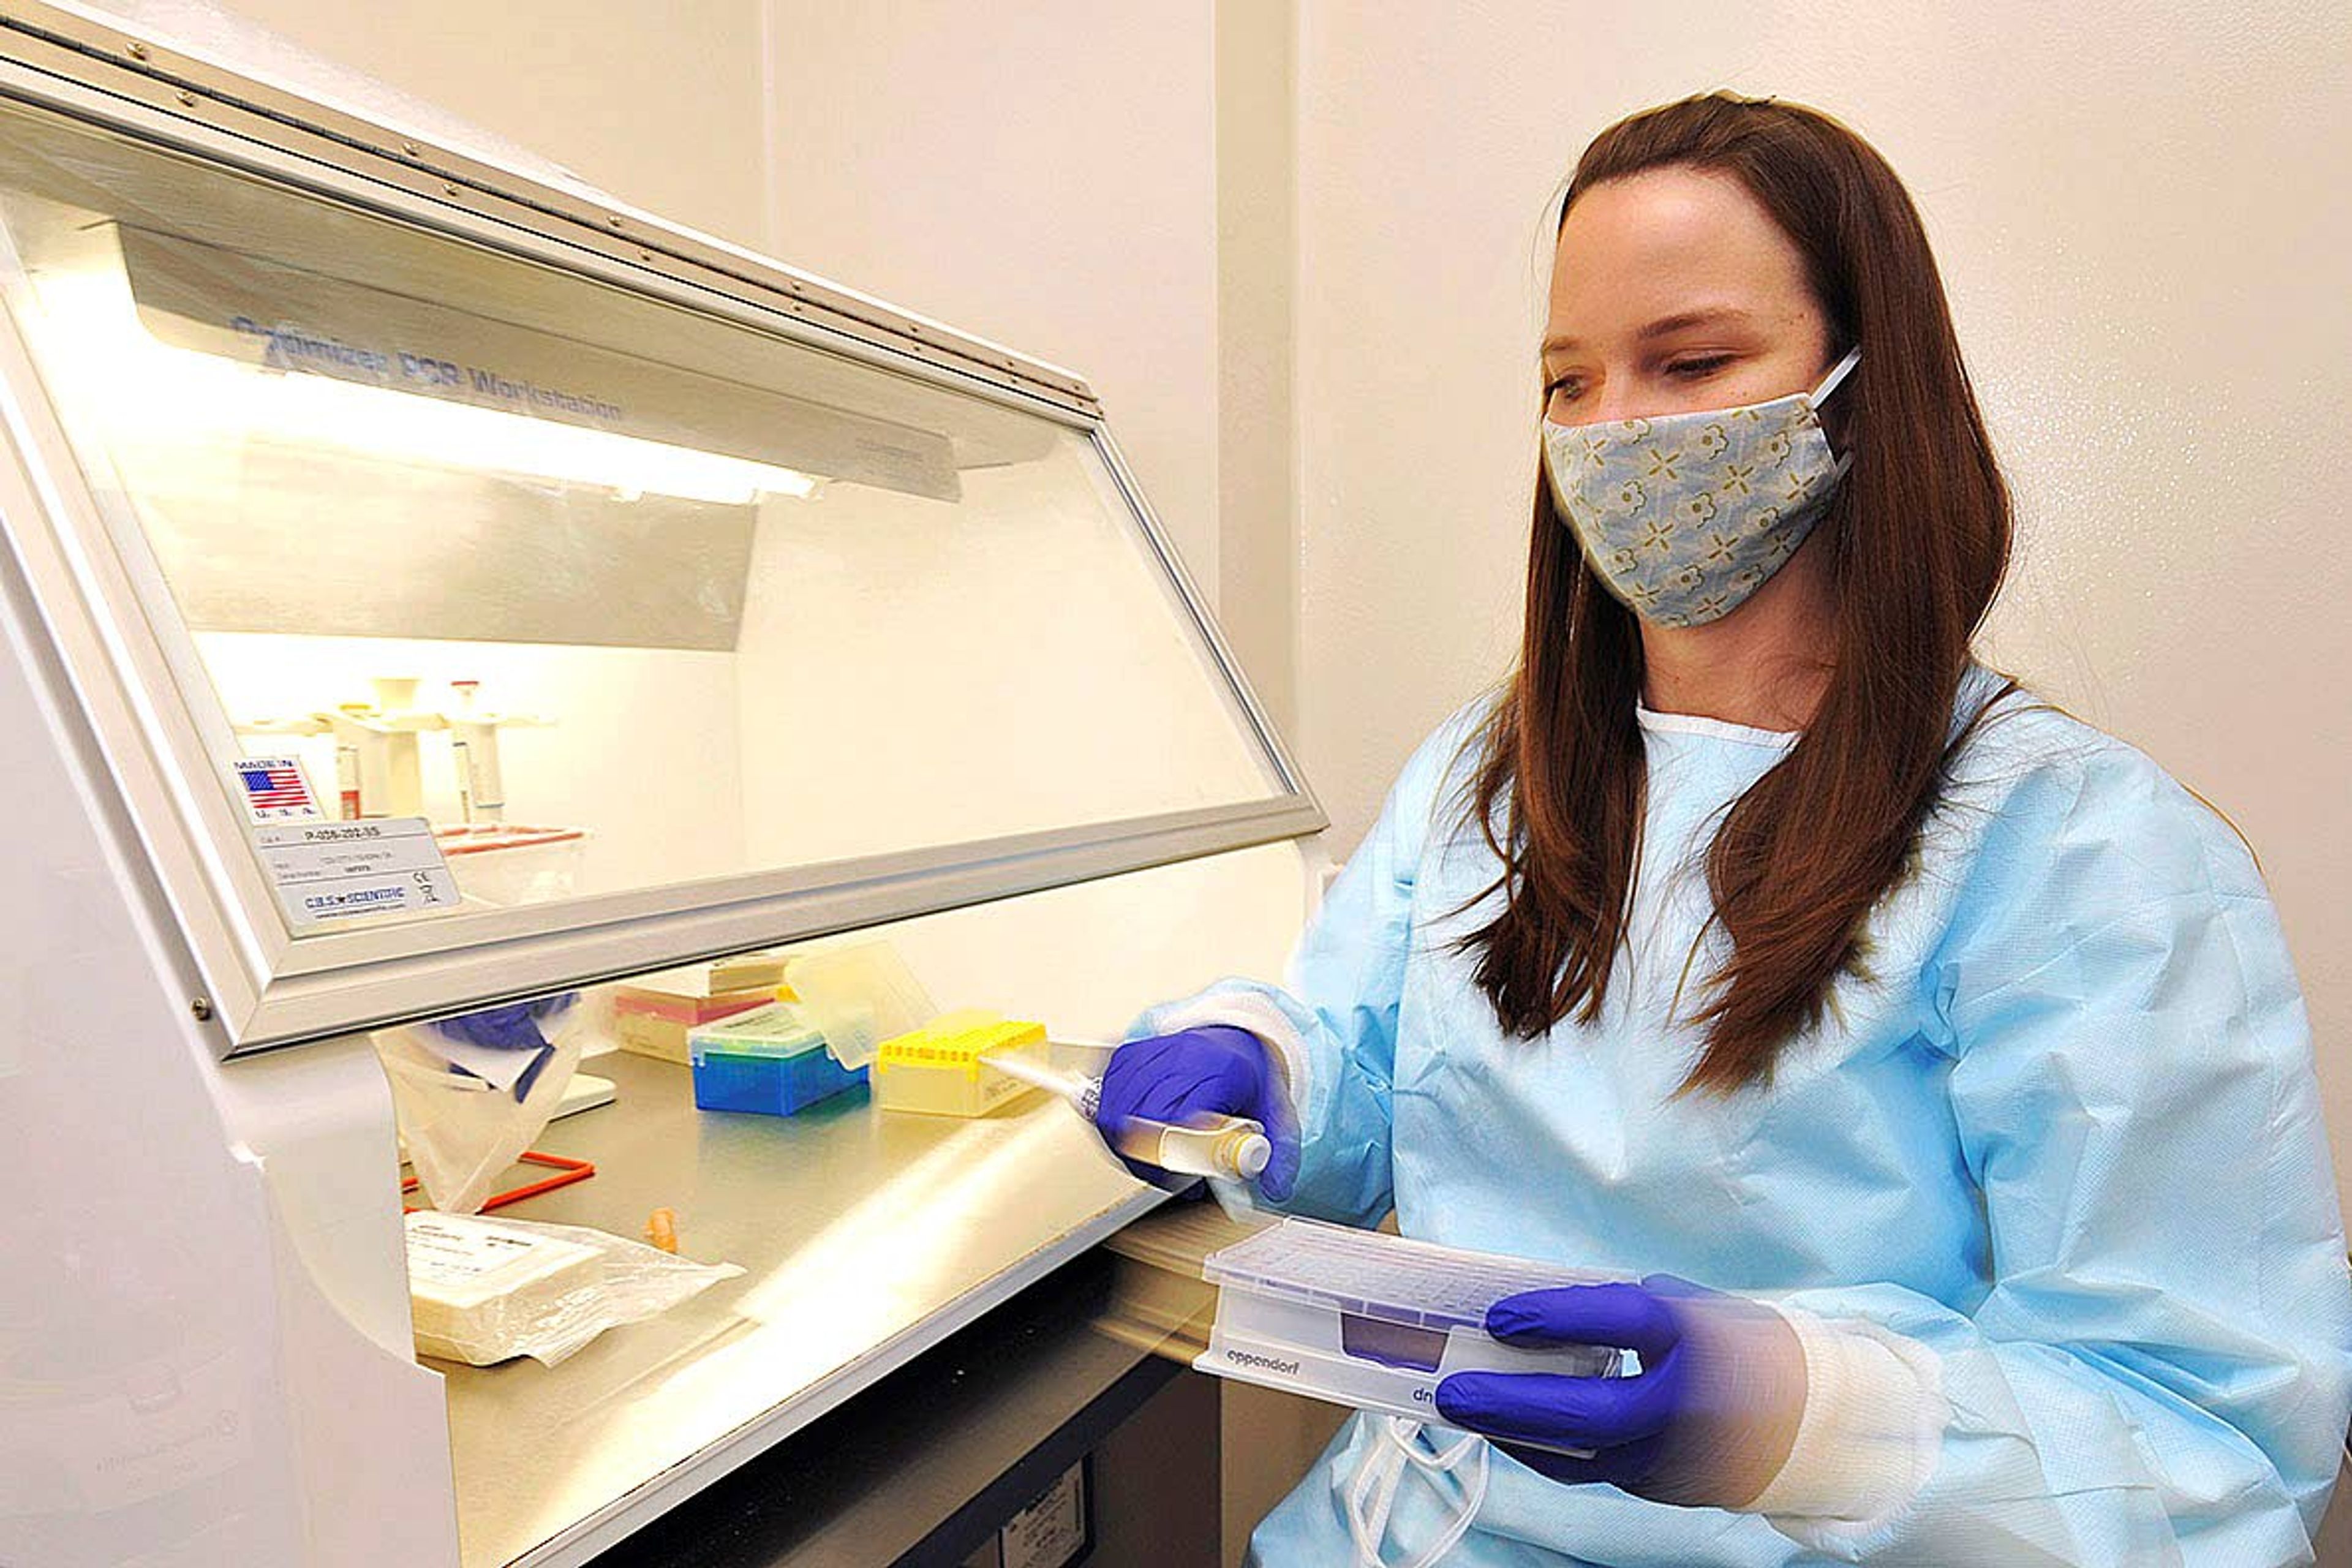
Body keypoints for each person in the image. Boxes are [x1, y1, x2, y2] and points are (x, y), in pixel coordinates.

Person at [1095, 92, 2352, 1566]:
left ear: (1863, 387)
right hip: (1404, 1534)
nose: (1612, 430)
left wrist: (1803, 1419)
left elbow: (2211, 1446)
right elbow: (1376, 1073)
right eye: (1569, 381)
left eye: (1690, 362)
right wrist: (1269, 1065)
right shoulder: (1492, 770)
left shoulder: (2088, 856)